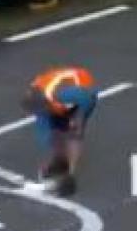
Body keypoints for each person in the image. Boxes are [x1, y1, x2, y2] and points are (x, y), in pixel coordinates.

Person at [21, 66, 98, 196]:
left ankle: (70, 175)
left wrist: (78, 119)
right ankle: (59, 162)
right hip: (59, 98)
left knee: (74, 133)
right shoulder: (36, 92)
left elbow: (86, 99)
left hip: (84, 92)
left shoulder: (64, 94)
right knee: (56, 130)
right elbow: (46, 126)